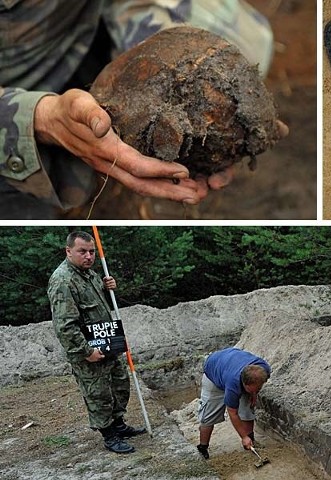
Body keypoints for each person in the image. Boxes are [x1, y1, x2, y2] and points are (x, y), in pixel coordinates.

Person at [0, 0, 283, 219]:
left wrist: (161, 53)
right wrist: (38, 119)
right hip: (12, 86)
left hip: (59, 24)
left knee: (246, 46)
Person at [47, 230, 145, 454]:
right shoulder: (62, 281)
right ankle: (109, 435)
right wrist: (86, 351)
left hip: (107, 340)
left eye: (92, 251)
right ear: (68, 251)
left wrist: (106, 287)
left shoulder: (89, 274)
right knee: (98, 393)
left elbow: (93, 305)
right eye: (82, 251)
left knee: (119, 384)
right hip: (88, 349)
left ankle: (119, 425)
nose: (89, 256)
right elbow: (65, 325)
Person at [197, 347, 271, 459]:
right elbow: (232, 413)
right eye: (252, 390)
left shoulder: (264, 369)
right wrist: (243, 437)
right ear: (244, 384)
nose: (255, 391)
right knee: (208, 416)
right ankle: (203, 448)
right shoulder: (233, 383)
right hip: (213, 371)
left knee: (247, 408)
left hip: (231, 363)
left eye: (258, 388)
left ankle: (251, 442)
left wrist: (253, 393)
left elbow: (254, 386)